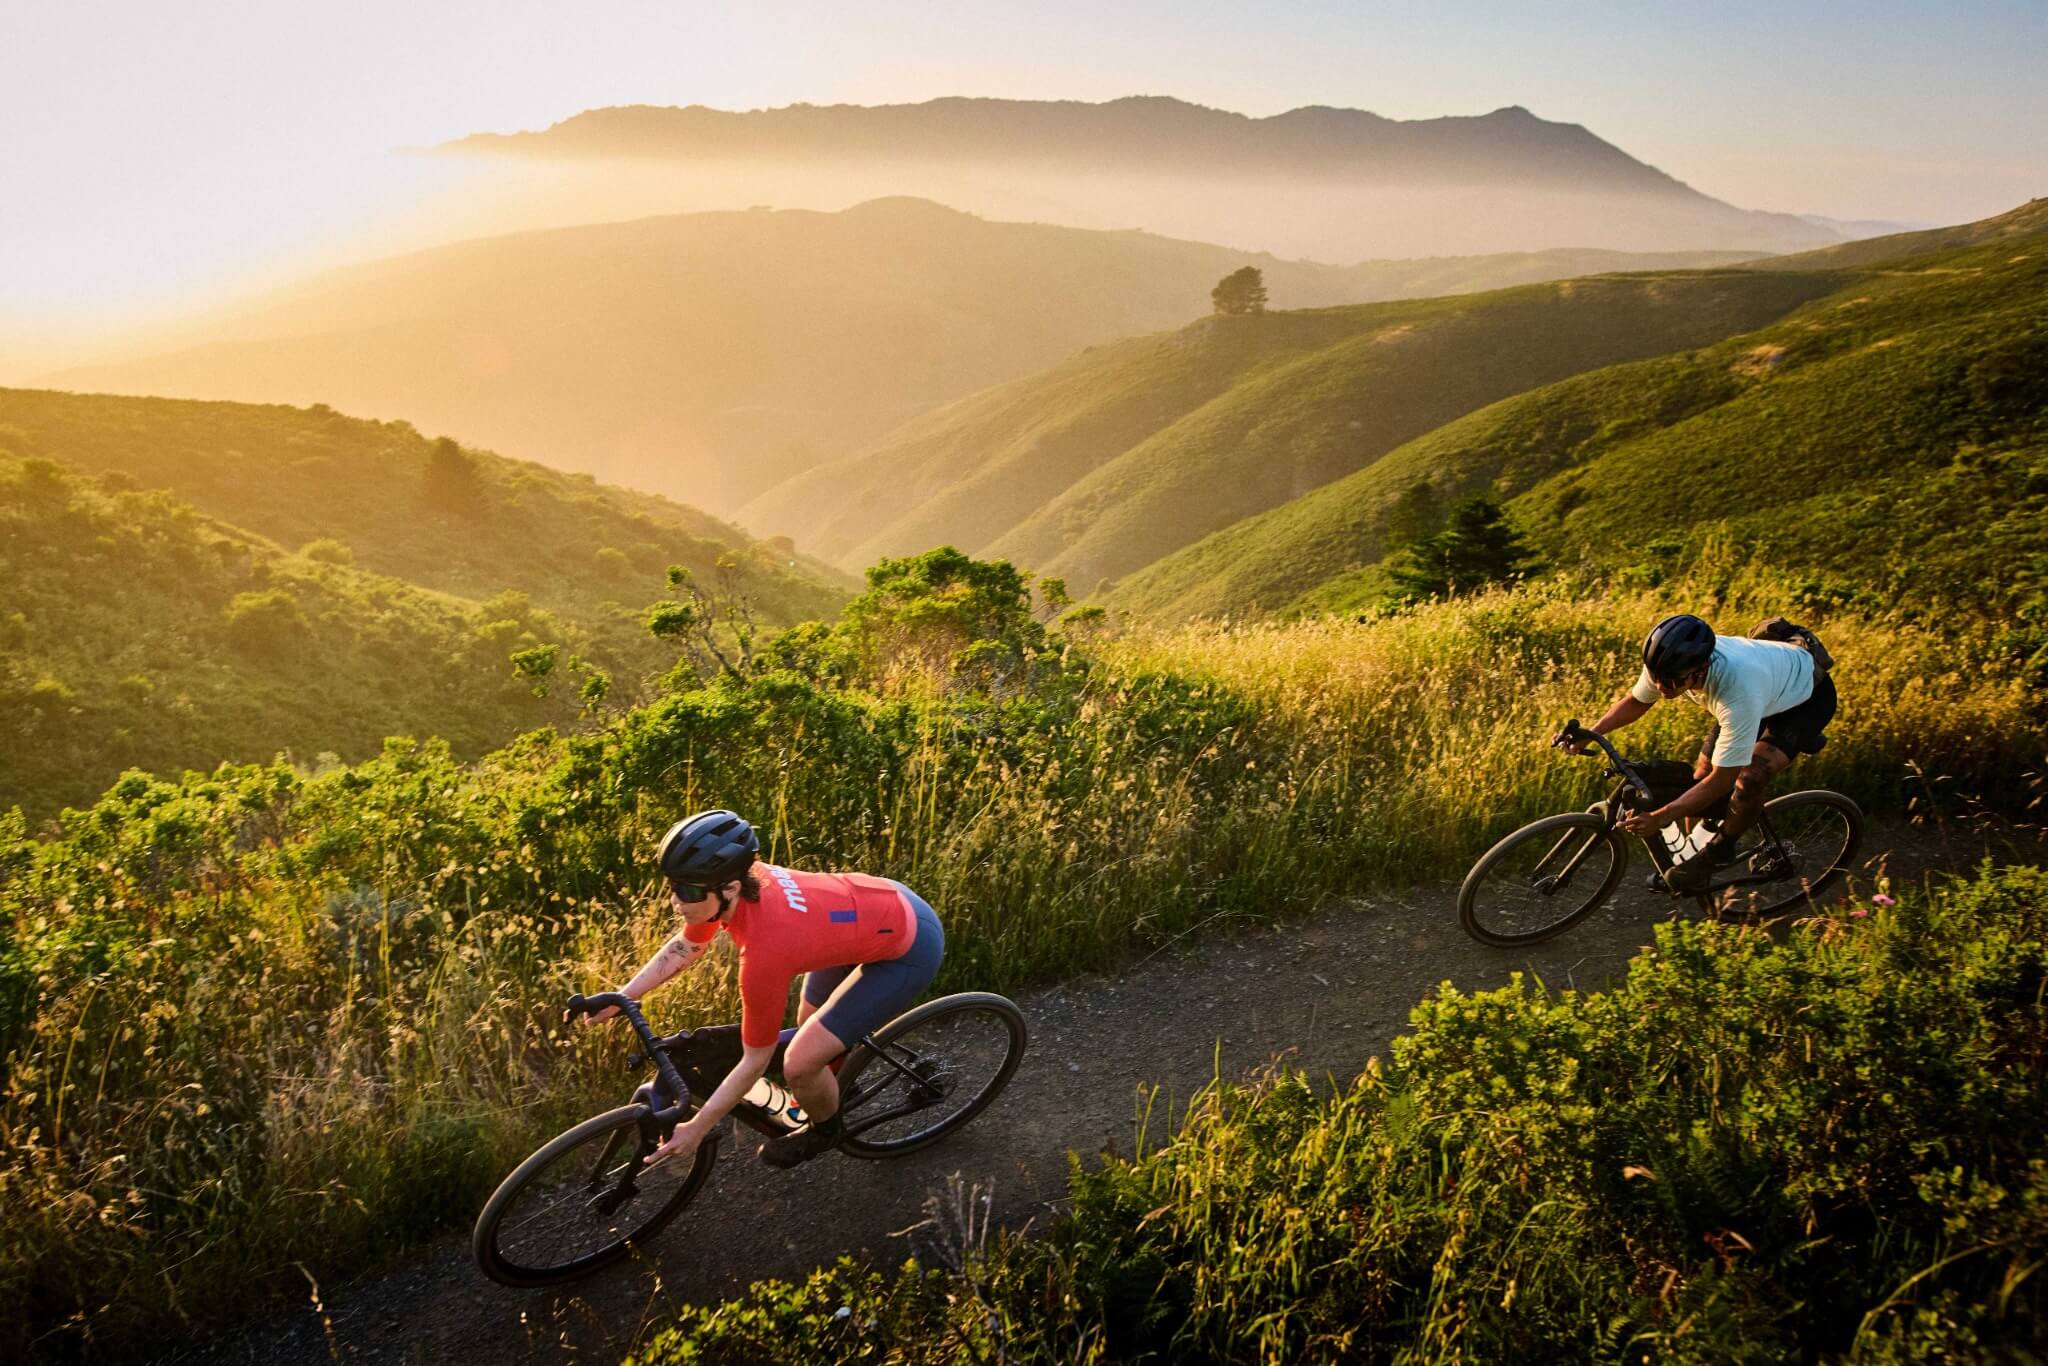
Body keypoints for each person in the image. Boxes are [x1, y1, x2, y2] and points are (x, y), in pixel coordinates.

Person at [576, 809, 945, 1169]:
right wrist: (624, 996)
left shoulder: (765, 950)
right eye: (673, 885)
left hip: (908, 948)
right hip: (871, 911)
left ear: (731, 887)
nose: (676, 899)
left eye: (687, 890)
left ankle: (826, 1130)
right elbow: (688, 946)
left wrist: (697, 1127)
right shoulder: (733, 888)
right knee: (809, 1025)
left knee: (799, 1061)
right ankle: (838, 1089)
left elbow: (754, 1060)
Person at [1559, 613, 1837, 893]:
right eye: (1656, 678)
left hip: (1805, 701)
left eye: (1671, 683)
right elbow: (1636, 701)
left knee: (1750, 777)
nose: (1661, 688)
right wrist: (1590, 733)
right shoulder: (1666, 665)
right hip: (1767, 688)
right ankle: (1692, 855)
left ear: (1701, 668)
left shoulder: (1737, 689)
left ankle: (1722, 848)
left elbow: (1721, 780)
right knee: (1700, 773)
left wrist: (1660, 817)